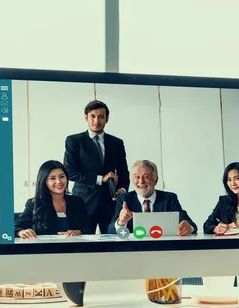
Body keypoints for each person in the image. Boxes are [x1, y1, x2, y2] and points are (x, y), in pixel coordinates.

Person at [63, 100, 130, 235]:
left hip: (110, 202)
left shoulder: (116, 142)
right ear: (86, 117)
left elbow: (123, 171)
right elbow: (69, 171)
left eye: (101, 116)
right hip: (83, 202)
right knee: (83, 244)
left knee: (114, 241)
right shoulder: (74, 141)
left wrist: (122, 189)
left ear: (107, 119)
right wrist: (100, 179)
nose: (96, 120)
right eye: (93, 116)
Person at [108, 160, 197, 236]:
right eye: (137, 177)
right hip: (134, 250)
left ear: (156, 180)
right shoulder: (124, 199)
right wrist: (121, 222)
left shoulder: (169, 198)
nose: (141, 181)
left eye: (146, 177)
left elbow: (191, 225)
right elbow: (110, 231)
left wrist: (188, 227)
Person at [15, 160, 89, 238]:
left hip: (74, 248)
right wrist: (21, 232)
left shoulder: (77, 201)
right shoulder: (35, 203)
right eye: (52, 178)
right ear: (44, 181)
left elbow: (88, 228)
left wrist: (79, 232)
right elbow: (16, 227)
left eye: (62, 176)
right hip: (46, 248)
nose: (58, 181)